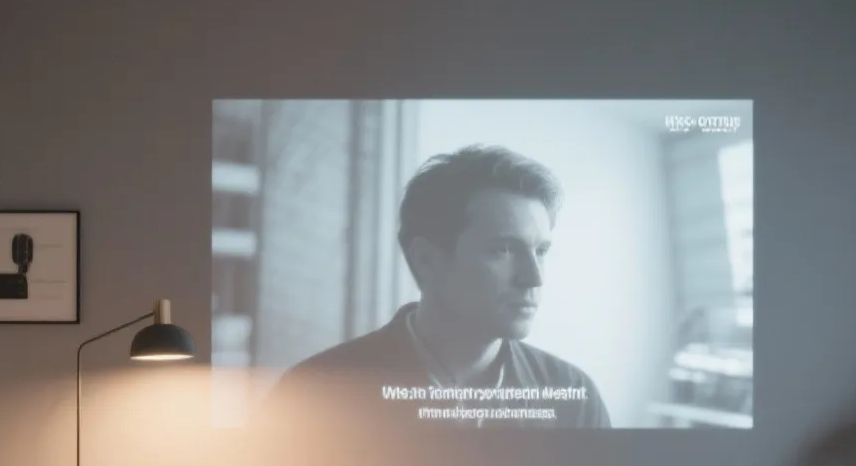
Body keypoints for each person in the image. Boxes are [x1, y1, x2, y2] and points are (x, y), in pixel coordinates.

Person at [260, 144, 609, 428]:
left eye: (541, 251)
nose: (534, 278)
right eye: (502, 250)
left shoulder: (575, 398)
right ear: (427, 260)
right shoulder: (312, 394)